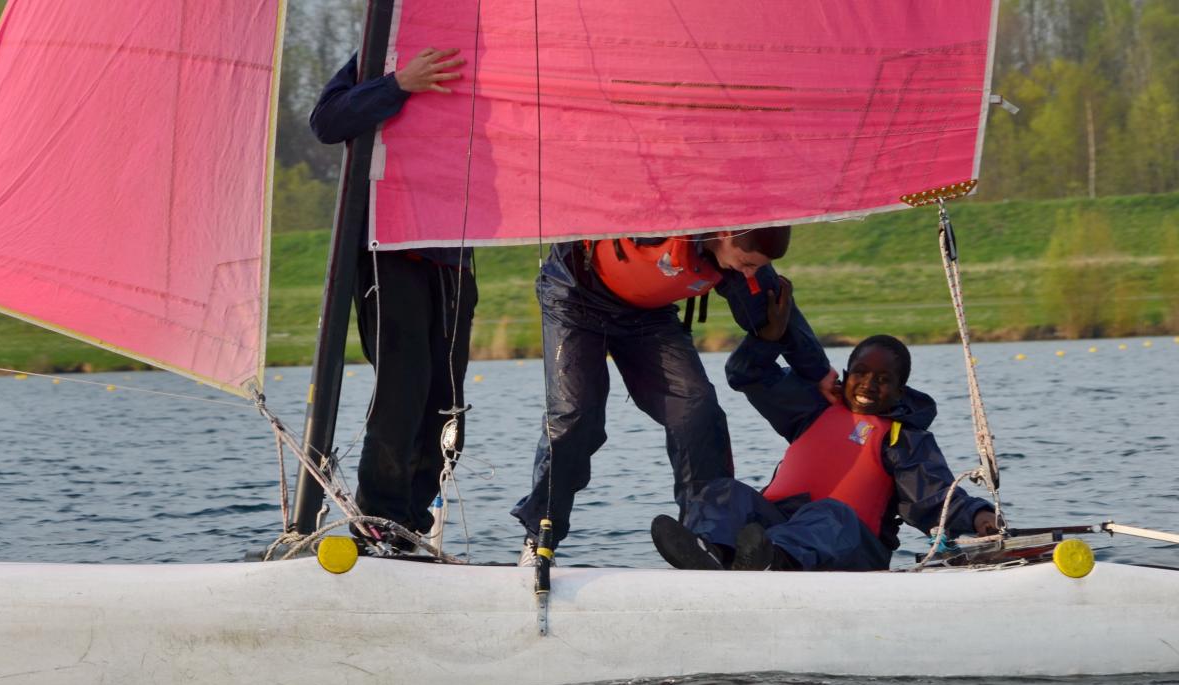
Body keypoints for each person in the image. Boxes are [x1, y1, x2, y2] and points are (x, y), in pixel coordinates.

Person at [510, 229, 836, 565]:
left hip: (646, 315)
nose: (750, 271)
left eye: (757, 266)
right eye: (748, 263)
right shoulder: (665, 225)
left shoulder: (740, 257)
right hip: (574, 297)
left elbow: (774, 311)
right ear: (725, 233)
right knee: (576, 415)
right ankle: (540, 537)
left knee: (697, 408)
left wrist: (819, 374)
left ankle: (710, 540)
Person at [650, 279, 998, 571]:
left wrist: (978, 515)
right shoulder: (813, 410)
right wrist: (767, 340)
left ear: (899, 391)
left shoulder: (903, 438)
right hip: (777, 531)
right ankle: (712, 553)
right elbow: (748, 375)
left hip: (850, 546)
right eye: (860, 373)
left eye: (883, 380)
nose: (868, 385)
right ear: (846, 375)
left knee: (829, 512)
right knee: (724, 491)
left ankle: (772, 562)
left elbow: (934, 496)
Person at [310, 47, 477, 549]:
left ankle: (411, 526)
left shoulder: (487, 51)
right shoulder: (386, 45)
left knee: (447, 403)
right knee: (403, 391)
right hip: (389, 248)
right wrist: (399, 83)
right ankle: (379, 522)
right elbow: (327, 121)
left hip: (454, 251)